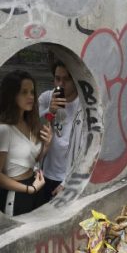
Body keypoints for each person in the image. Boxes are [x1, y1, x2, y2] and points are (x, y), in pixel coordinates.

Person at [0, 70, 52, 216]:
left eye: (32, 92)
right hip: (15, 194)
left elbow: (30, 160)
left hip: (34, 186)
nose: (30, 97)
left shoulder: (28, 123)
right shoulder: (2, 130)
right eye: (24, 92)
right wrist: (30, 189)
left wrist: (46, 145)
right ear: (11, 95)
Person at [37, 60, 83, 203]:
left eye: (67, 79)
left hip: (68, 176)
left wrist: (67, 182)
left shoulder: (83, 104)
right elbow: (33, 128)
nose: (61, 84)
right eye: (57, 78)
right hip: (46, 172)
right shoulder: (46, 98)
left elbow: (87, 147)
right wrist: (50, 112)